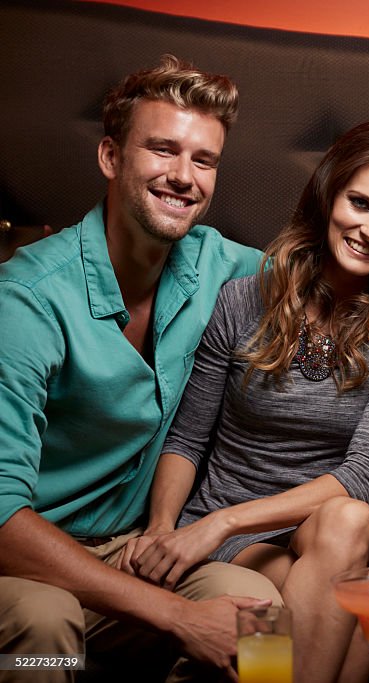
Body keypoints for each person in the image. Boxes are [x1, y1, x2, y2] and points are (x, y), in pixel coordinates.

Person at [122, 118, 369, 683]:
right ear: (328, 195)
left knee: (347, 519)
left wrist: (219, 523)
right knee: (355, 620)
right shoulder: (246, 298)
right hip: (244, 540)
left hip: (318, 528)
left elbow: (361, 475)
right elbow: (189, 438)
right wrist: (165, 527)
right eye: (360, 203)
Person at [0, 55, 280, 681]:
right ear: (110, 157)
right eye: (162, 151)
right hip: (23, 563)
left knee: (258, 612)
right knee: (46, 626)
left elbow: (330, 279)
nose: (184, 177)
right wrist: (178, 617)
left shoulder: (224, 268)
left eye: (203, 160)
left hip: (133, 549)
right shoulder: (25, 302)